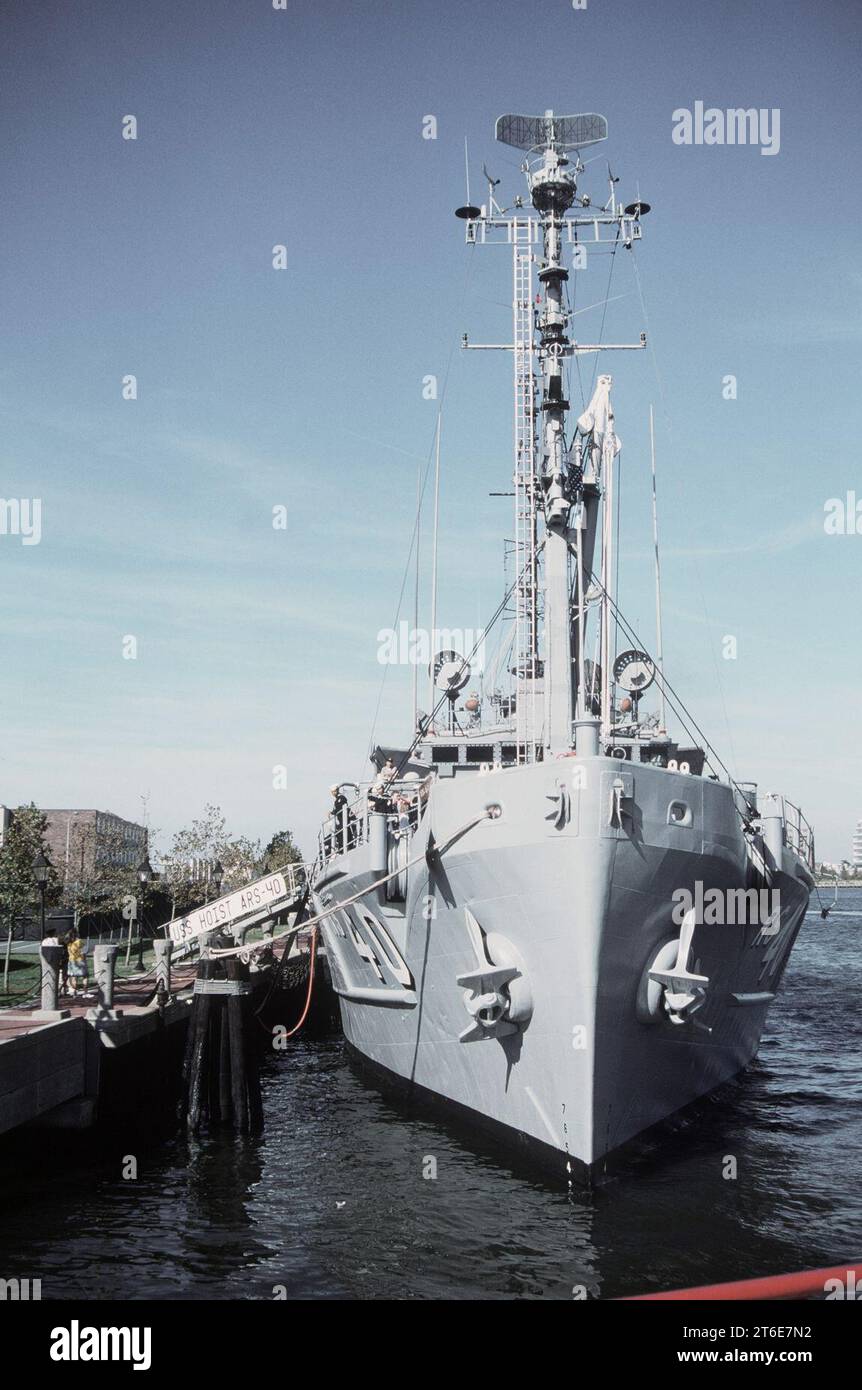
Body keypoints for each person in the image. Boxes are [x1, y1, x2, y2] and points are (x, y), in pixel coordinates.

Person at [65, 928, 89, 998]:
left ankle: (75, 993)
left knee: (74, 978)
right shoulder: (79, 941)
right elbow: (85, 950)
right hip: (80, 960)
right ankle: (85, 993)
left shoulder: (68, 943)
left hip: (71, 961)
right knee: (85, 976)